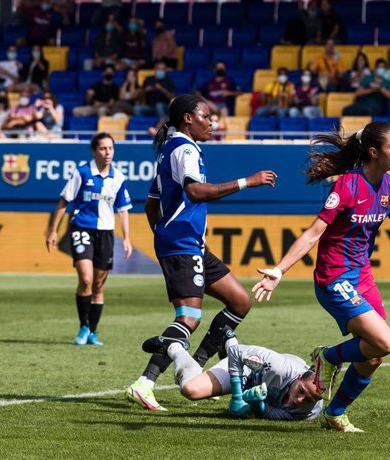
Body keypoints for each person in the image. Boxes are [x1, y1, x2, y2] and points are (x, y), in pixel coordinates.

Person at [252, 121, 390, 432]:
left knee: (374, 355)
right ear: (374, 152)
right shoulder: (347, 186)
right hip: (333, 278)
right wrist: (279, 270)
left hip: (361, 277)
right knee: (384, 341)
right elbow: (313, 234)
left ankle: (334, 413)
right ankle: (328, 357)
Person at [125, 94, 278, 411]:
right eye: (206, 116)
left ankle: (196, 365)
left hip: (188, 243)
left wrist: (164, 232)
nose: (212, 122)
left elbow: (152, 203)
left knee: (239, 301)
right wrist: (247, 181)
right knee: (189, 318)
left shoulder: (175, 150)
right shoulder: (183, 149)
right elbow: (195, 191)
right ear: (187, 119)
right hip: (183, 244)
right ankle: (145, 383)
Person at [46, 132, 133, 345]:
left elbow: (122, 210)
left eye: (110, 148)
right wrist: (53, 230)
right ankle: (83, 326)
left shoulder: (118, 178)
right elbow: (63, 202)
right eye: (103, 148)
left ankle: (93, 332)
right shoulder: (82, 173)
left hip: (106, 233)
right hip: (82, 228)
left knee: (98, 285)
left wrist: (127, 238)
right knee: (86, 278)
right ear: (94, 151)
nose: (107, 153)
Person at [142, 327, 324, 421]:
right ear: (299, 378)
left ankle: (228, 340)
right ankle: (174, 347)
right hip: (249, 370)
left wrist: (259, 406)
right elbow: (237, 353)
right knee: (191, 390)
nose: (300, 400)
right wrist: (238, 396)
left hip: (256, 385)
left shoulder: (310, 410)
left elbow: (277, 415)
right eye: (301, 391)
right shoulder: (278, 366)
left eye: (308, 399)